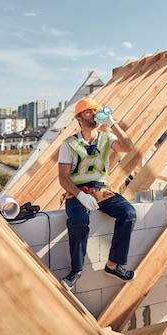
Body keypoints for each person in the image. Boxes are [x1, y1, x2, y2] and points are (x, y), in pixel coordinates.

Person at [58, 97, 137, 291]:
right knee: (78, 221)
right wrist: (80, 196)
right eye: (88, 112)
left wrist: (113, 124)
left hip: (101, 192)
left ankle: (113, 265)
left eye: (95, 111)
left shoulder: (106, 138)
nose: (93, 114)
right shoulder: (68, 144)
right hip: (78, 192)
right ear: (79, 118)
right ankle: (75, 270)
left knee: (128, 214)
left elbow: (128, 147)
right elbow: (63, 178)